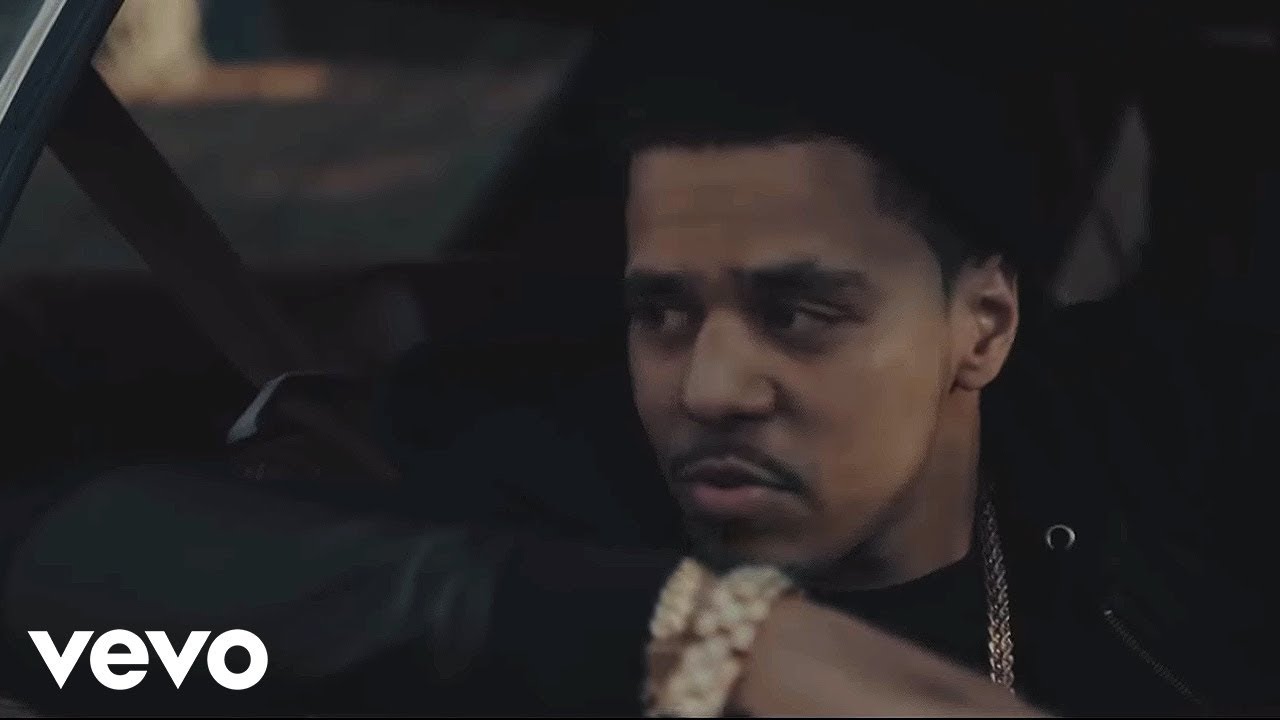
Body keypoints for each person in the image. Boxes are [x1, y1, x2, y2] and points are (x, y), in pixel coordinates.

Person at [1, 6, 1276, 717]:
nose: (709, 386)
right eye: (660, 312)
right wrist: (702, 642)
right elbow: (58, 607)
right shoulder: (529, 490)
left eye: (801, 312)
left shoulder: (1150, 448)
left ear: (981, 324)